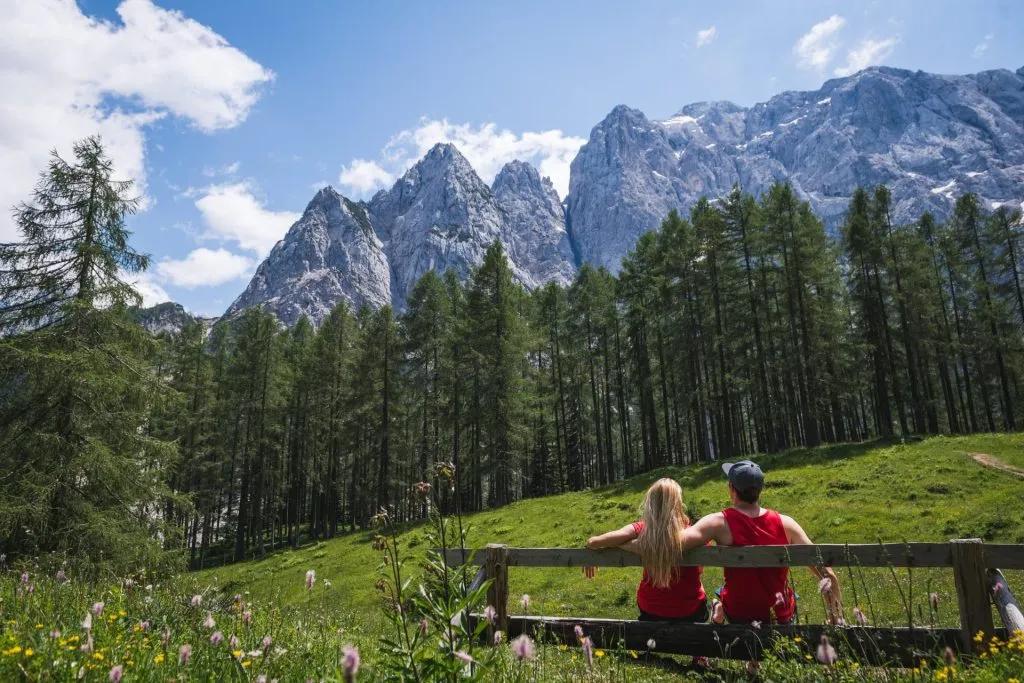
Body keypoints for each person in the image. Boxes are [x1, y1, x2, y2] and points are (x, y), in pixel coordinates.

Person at [681, 460, 843, 625]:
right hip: (780, 615)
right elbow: (827, 573)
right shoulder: (786, 524)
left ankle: (719, 607)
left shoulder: (719, 523)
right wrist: (835, 619)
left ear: (731, 489)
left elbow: (677, 542)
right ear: (760, 490)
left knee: (722, 592)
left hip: (739, 614)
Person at [583, 478, 708, 622]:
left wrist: (616, 544)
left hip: (650, 608)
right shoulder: (692, 534)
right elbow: (700, 569)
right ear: (678, 504)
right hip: (688, 610)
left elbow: (594, 542)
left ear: (651, 503)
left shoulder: (642, 529)